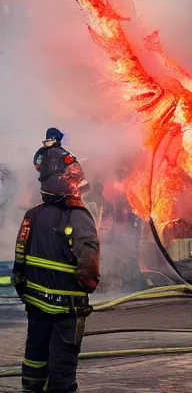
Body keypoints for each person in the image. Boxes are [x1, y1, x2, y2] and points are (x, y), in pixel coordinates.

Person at [12, 146, 100, 392]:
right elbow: (89, 264)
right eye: (72, 178)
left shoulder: (33, 215)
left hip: (36, 304)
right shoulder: (78, 217)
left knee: (35, 358)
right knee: (62, 368)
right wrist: (87, 287)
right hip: (67, 309)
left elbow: (19, 259)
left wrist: (26, 291)